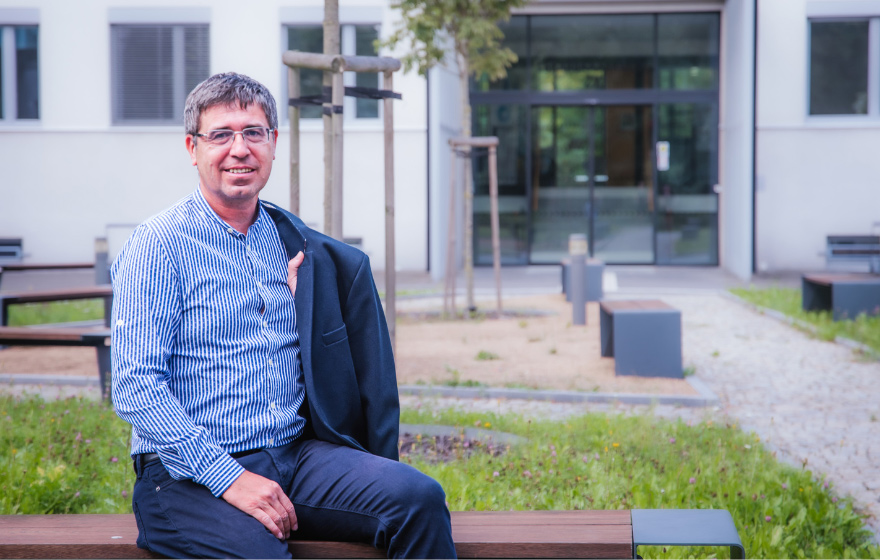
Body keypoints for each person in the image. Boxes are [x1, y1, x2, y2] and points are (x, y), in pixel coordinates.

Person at [110, 72, 456, 559]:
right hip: (186, 475)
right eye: (220, 135)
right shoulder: (159, 245)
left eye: (253, 132)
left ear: (273, 142)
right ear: (193, 148)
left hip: (294, 457)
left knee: (418, 499)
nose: (239, 149)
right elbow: (135, 384)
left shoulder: (291, 243)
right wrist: (229, 477)